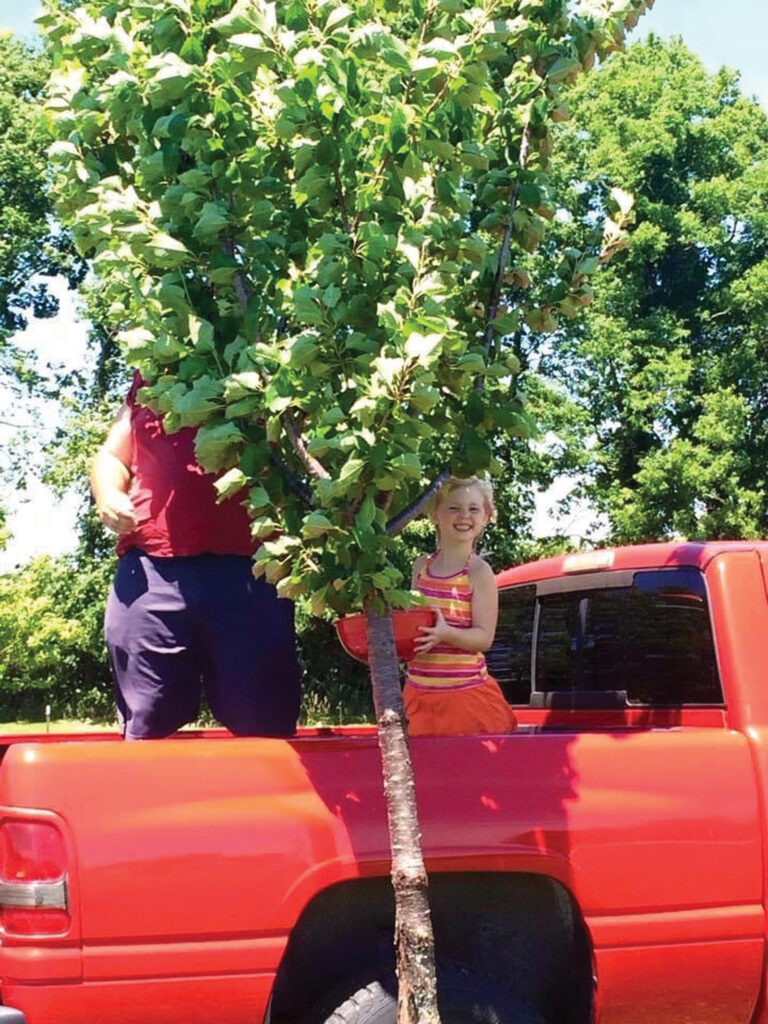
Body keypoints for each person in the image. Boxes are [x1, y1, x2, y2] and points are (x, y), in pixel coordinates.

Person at [91, 372, 301, 739]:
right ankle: (153, 797)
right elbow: (112, 455)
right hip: (150, 571)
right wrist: (108, 495)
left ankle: (268, 798)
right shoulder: (152, 373)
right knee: (147, 723)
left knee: (264, 723)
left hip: (252, 572)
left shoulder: (262, 367)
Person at [403, 476, 517, 737]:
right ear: (435, 515)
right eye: (454, 507)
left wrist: (446, 634)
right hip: (418, 694)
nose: (464, 515)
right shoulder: (421, 566)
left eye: (474, 508)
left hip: (465, 698)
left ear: (486, 516)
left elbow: (484, 638)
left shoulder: (478, 572)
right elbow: (414, 623)